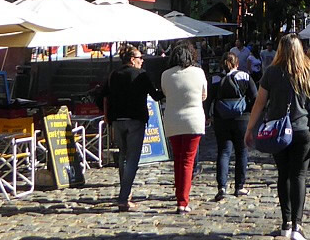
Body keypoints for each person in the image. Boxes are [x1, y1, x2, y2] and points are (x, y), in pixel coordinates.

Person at [245, 33, 310, 240]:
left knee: (284, 175)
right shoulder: (308, 72)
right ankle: (297, 226)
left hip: (278, 131)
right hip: (302, 129)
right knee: (299, 175)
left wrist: (250, 128)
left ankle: (286, 222)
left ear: (280, 50)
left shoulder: (271, 72)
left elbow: (259, 103)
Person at [102, 45, 164, 211]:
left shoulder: (113, 75)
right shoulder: (141, 75)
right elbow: (156, 96)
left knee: (123, 156)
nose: (142, 60)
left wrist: (107, 115)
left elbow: (102, 94)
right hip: (135, 120)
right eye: (139, 58)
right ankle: (123, 197)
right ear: (132, 59)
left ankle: (125, 192)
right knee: (132, 160)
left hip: (117, 121)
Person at [160, 43, 207, 212]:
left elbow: (166, 93)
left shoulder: (166, 75)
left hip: (172, 120)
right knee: (188, 161)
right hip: (193, 120)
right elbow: (204, 95)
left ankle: (180, 195)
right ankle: (183, 200)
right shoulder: (199, 72)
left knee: (178, 160)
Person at [211, 51, 257, 200]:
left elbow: (208, 99)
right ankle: (239, 187)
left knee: (223, 152)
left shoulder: (216, 78)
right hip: (242, 118)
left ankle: (222, 187)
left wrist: (208, 115)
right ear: (237, 63)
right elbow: (255, 96)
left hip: (221, 119)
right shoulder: (244, 76)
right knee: (241, 152)